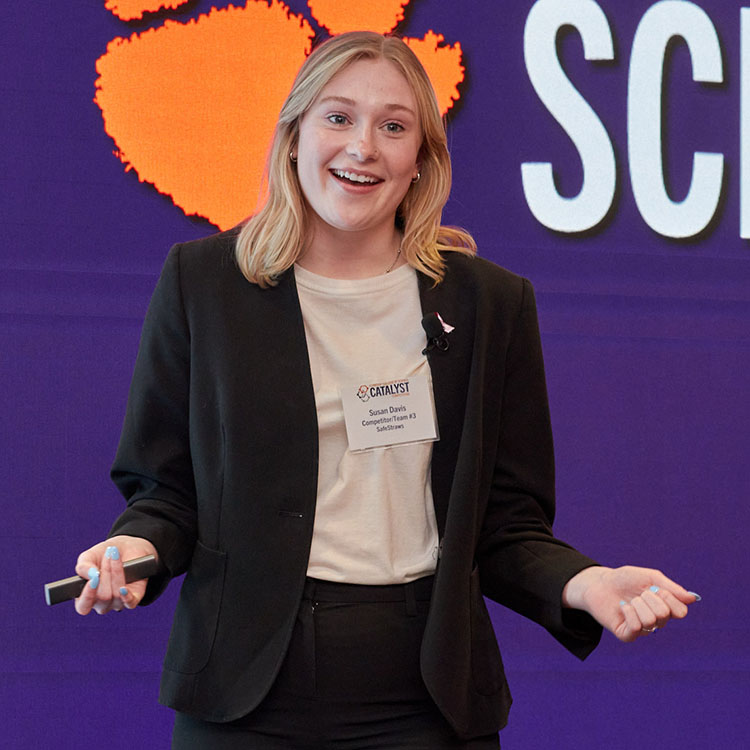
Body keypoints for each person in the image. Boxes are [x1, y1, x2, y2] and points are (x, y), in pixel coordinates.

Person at [74, 31, 698, 749]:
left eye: (393, 126)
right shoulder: (204, 284)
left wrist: (586, 584)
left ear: (420, 161)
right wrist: (132, 553)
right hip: (244, 693)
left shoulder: (491, 303)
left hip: (424, 696)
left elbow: (505, 524)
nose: (363, 147)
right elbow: (167, 494)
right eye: (338, 117)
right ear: (294, 135)